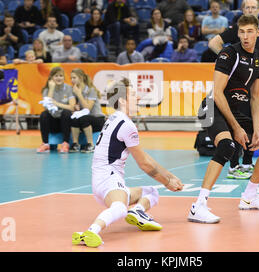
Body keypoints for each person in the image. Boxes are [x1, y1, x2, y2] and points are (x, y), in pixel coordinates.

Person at [187, 15, 259, 224]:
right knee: (227, 146)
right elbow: (218, 94)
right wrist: (237, 128)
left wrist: (257, 129)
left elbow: (256, 97)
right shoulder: (229, 54)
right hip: (211, 107)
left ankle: (249, 197)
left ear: (258, 33)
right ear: (237, 33)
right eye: (242, 32)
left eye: (250, 31)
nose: (245, 36)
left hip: (235, 111)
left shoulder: (258, 58)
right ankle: (198, 206)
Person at [71, 77, 183, 247]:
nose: (138, 98)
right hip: (109, 179)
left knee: (151, 192)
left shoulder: (116, 118)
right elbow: (144, 164)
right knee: (120, 208)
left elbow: (145, 157)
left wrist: (170, 176)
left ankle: (137, 212)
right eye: (133, 94)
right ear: (122, 100)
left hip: (103, 178)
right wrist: (167, 183)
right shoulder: (126, 125)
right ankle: (90, 231)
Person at [207, 0, 259, 178]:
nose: (250, 9)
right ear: (242, 9)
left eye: (253, 7)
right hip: (234, 87)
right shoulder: (239, 31)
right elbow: (213, 43)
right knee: (235, 126)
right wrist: (231, 63)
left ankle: (248, 164)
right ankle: (234, 165)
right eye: (247, 7)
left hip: (252, 83)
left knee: (252, 123)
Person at [37, 66, 75, 153]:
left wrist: (57, 104)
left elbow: (72, 107)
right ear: (51, 78)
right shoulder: (46, 90)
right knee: (44, 114)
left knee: (66, 112)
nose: (59, 78)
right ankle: (45, 144)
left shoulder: (69, 88)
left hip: (65, 122)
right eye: (56, 76)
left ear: (64, 77)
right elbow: (47, 107)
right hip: (53, 122)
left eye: (61, 76)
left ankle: (65, 143)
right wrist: (51, 88)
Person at [69, 68, 106, 153]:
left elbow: (88, 108)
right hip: (84, 118)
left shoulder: (90, 90)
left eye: (74, 78)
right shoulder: (74, 90)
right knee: (73, 118)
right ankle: (75, 144)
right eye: (71, 78)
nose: (72, 80)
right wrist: (75, 107)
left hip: (98, 119)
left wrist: (79, 94)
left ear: (81, 78)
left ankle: (90, 144)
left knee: (84, 118)